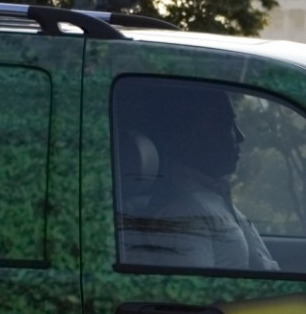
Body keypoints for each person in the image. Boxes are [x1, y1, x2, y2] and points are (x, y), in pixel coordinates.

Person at [118, 82, 278, 272]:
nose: (240, 136)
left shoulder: (210, 198)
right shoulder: (182, 213)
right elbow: (194, 290)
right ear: (192, 134)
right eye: (226, 124)